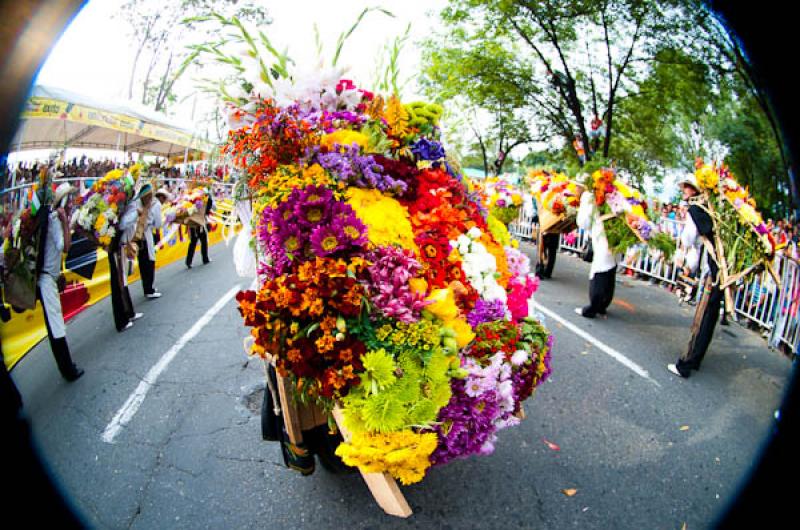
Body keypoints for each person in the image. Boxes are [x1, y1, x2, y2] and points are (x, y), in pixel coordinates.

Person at [668, 175, 721, 378]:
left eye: (685, 188)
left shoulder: (696, 210)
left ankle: (686, 364)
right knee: (710, 316)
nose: (683, 192)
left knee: (703, 316)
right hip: (719, 270)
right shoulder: (710, 208)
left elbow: (689, 237)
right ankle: (696, 359)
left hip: (712, 270)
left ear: (692, 190)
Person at [37, 183, 83, 381]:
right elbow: (64, 247)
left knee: (54, 324)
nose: (71, 202)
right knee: (56, 326)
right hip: (46, 279)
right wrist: (65, 222)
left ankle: (66, 367)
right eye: (69, 198)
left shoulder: (53, 218)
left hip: (49, 277)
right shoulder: (55, 219)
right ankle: (68, 369)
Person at [574, 189, 618, 318]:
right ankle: (603, 305)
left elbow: (583, 222)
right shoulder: (617, 192)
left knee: (600, 270)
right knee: (610, 270)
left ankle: (593, 308)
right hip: (615, 237)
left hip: (602, 236)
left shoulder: (590, 195)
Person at [109, 186, 144, 332]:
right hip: (118, 249)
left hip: (122, 247)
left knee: (123, 281)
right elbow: (123, 224)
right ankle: (121, 320)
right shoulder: (128, 209)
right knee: (119, 284)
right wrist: (136, 213)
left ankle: (129, 313)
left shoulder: (129, 206)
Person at [135, 185, 162, 299]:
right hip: (147, 234)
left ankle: (147, 287)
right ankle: (149, 289)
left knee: (142, 262)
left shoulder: (137, 203)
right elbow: (158, 224)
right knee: (150, 262)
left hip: (138, 236)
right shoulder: (156, 204)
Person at [185, 189, 213, 269]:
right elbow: (207, 210)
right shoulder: (201, 200)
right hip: (198, 223)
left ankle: (189, 261)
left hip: (194, 223)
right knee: (202, 241)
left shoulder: (192, 198)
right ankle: (205, 259)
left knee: (194, 242)